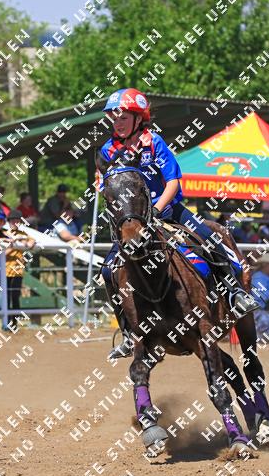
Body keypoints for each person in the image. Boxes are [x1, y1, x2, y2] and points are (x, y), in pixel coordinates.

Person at [97, 87, 257, 359]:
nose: (118, 122)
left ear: (138, 118)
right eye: (114, 117)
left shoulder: (153, 142)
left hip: (168, 211)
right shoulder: (107, 149)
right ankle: (127, 333)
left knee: (211, 240)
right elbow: (107, 185)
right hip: (133, 220)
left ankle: (235, 294)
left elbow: (172, 182)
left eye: (123, 117)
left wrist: (156, 211)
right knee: (108, 270)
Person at [4, 210, 36, 328]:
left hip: (17, 271)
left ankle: (14, 323)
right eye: (12, 220)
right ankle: (6, 323)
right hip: (5, 271)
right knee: (6, 298)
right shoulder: (4, 233)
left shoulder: (22, 233)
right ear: (9, 222)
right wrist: (14, 245)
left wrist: (26, 242)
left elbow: (31, 241)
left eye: (17, 220)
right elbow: (2, 253)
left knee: (15, 297)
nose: (15, 222)